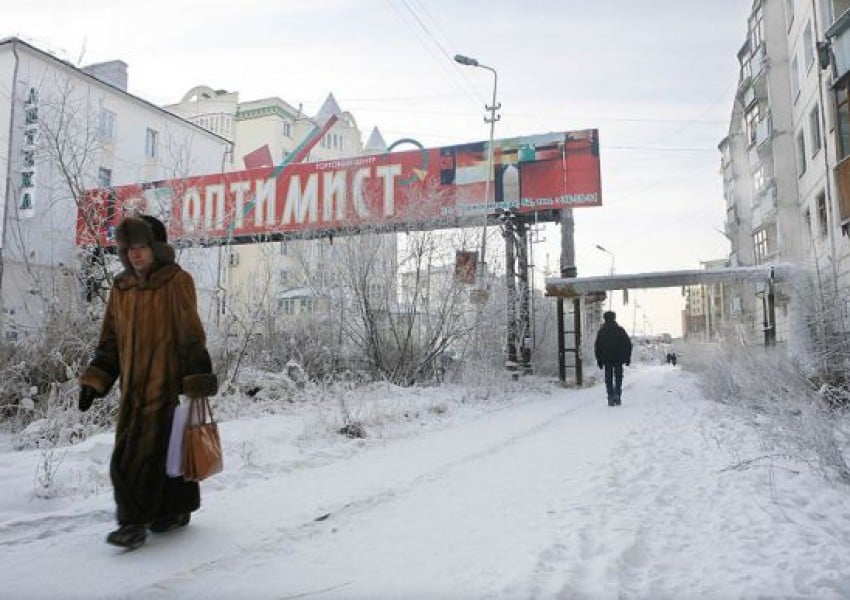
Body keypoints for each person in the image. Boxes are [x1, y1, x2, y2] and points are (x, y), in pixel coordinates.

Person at [78, 215, 217, 550]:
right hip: (132, 393)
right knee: (163, 456)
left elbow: (190, 336)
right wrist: (95, 381)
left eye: (141, 247)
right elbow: (109, 342)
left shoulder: (175, 281)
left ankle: (132, 524)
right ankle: (173, 510)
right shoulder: (122, 287)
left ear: (156, 248)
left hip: (165, 390)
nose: (135, 255)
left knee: (134, 457)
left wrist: (195, 381)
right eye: (128, 249)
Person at [594, 310, 632, 407]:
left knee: (608, 378)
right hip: (618, 358)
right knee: (618, 377)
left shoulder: (602, 331)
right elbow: (628, 344)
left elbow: (597, 346)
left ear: (605, 318)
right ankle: (617, 394)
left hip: (607, 359)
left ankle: (610, 396)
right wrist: (627, 357)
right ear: (614, 318)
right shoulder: (620, 330)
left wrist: (599, 359)